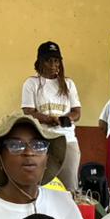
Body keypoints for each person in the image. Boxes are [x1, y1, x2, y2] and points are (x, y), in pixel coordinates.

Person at [21, 42, 82, 193]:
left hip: (67, 140)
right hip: (42, 141)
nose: (54, 65)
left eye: (56, 60)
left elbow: (77, 112)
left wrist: (64, 119)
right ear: (40, 62)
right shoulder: (31, 84)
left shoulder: (68, 84)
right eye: (49, 61)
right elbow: (28, 112)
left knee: (70, 188)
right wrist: (49, 119)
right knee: (40, 187)